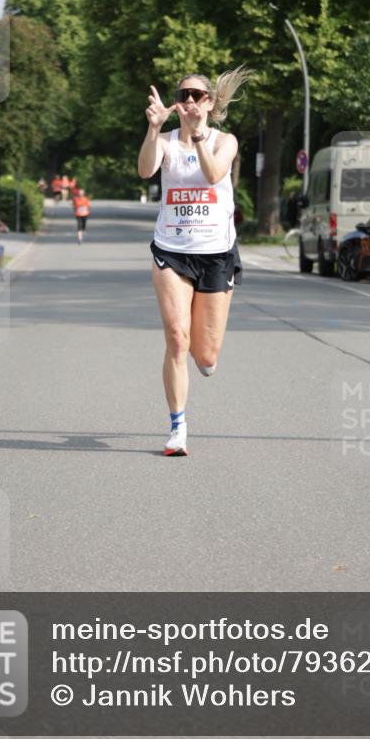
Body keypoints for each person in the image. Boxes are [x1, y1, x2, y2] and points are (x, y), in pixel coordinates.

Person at [138, 67, 250, 457]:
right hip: (171, 249)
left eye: (197, 96)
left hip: (216, 253)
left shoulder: (225, 141)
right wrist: (154, 129)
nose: (188, 101)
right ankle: (177, 427)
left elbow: (214, 172)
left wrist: (200, 134)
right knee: (176, 338)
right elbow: (145, 169)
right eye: (183, 95)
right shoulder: (167, 142)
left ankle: (202, 359)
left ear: (211, 103)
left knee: (205, 354)